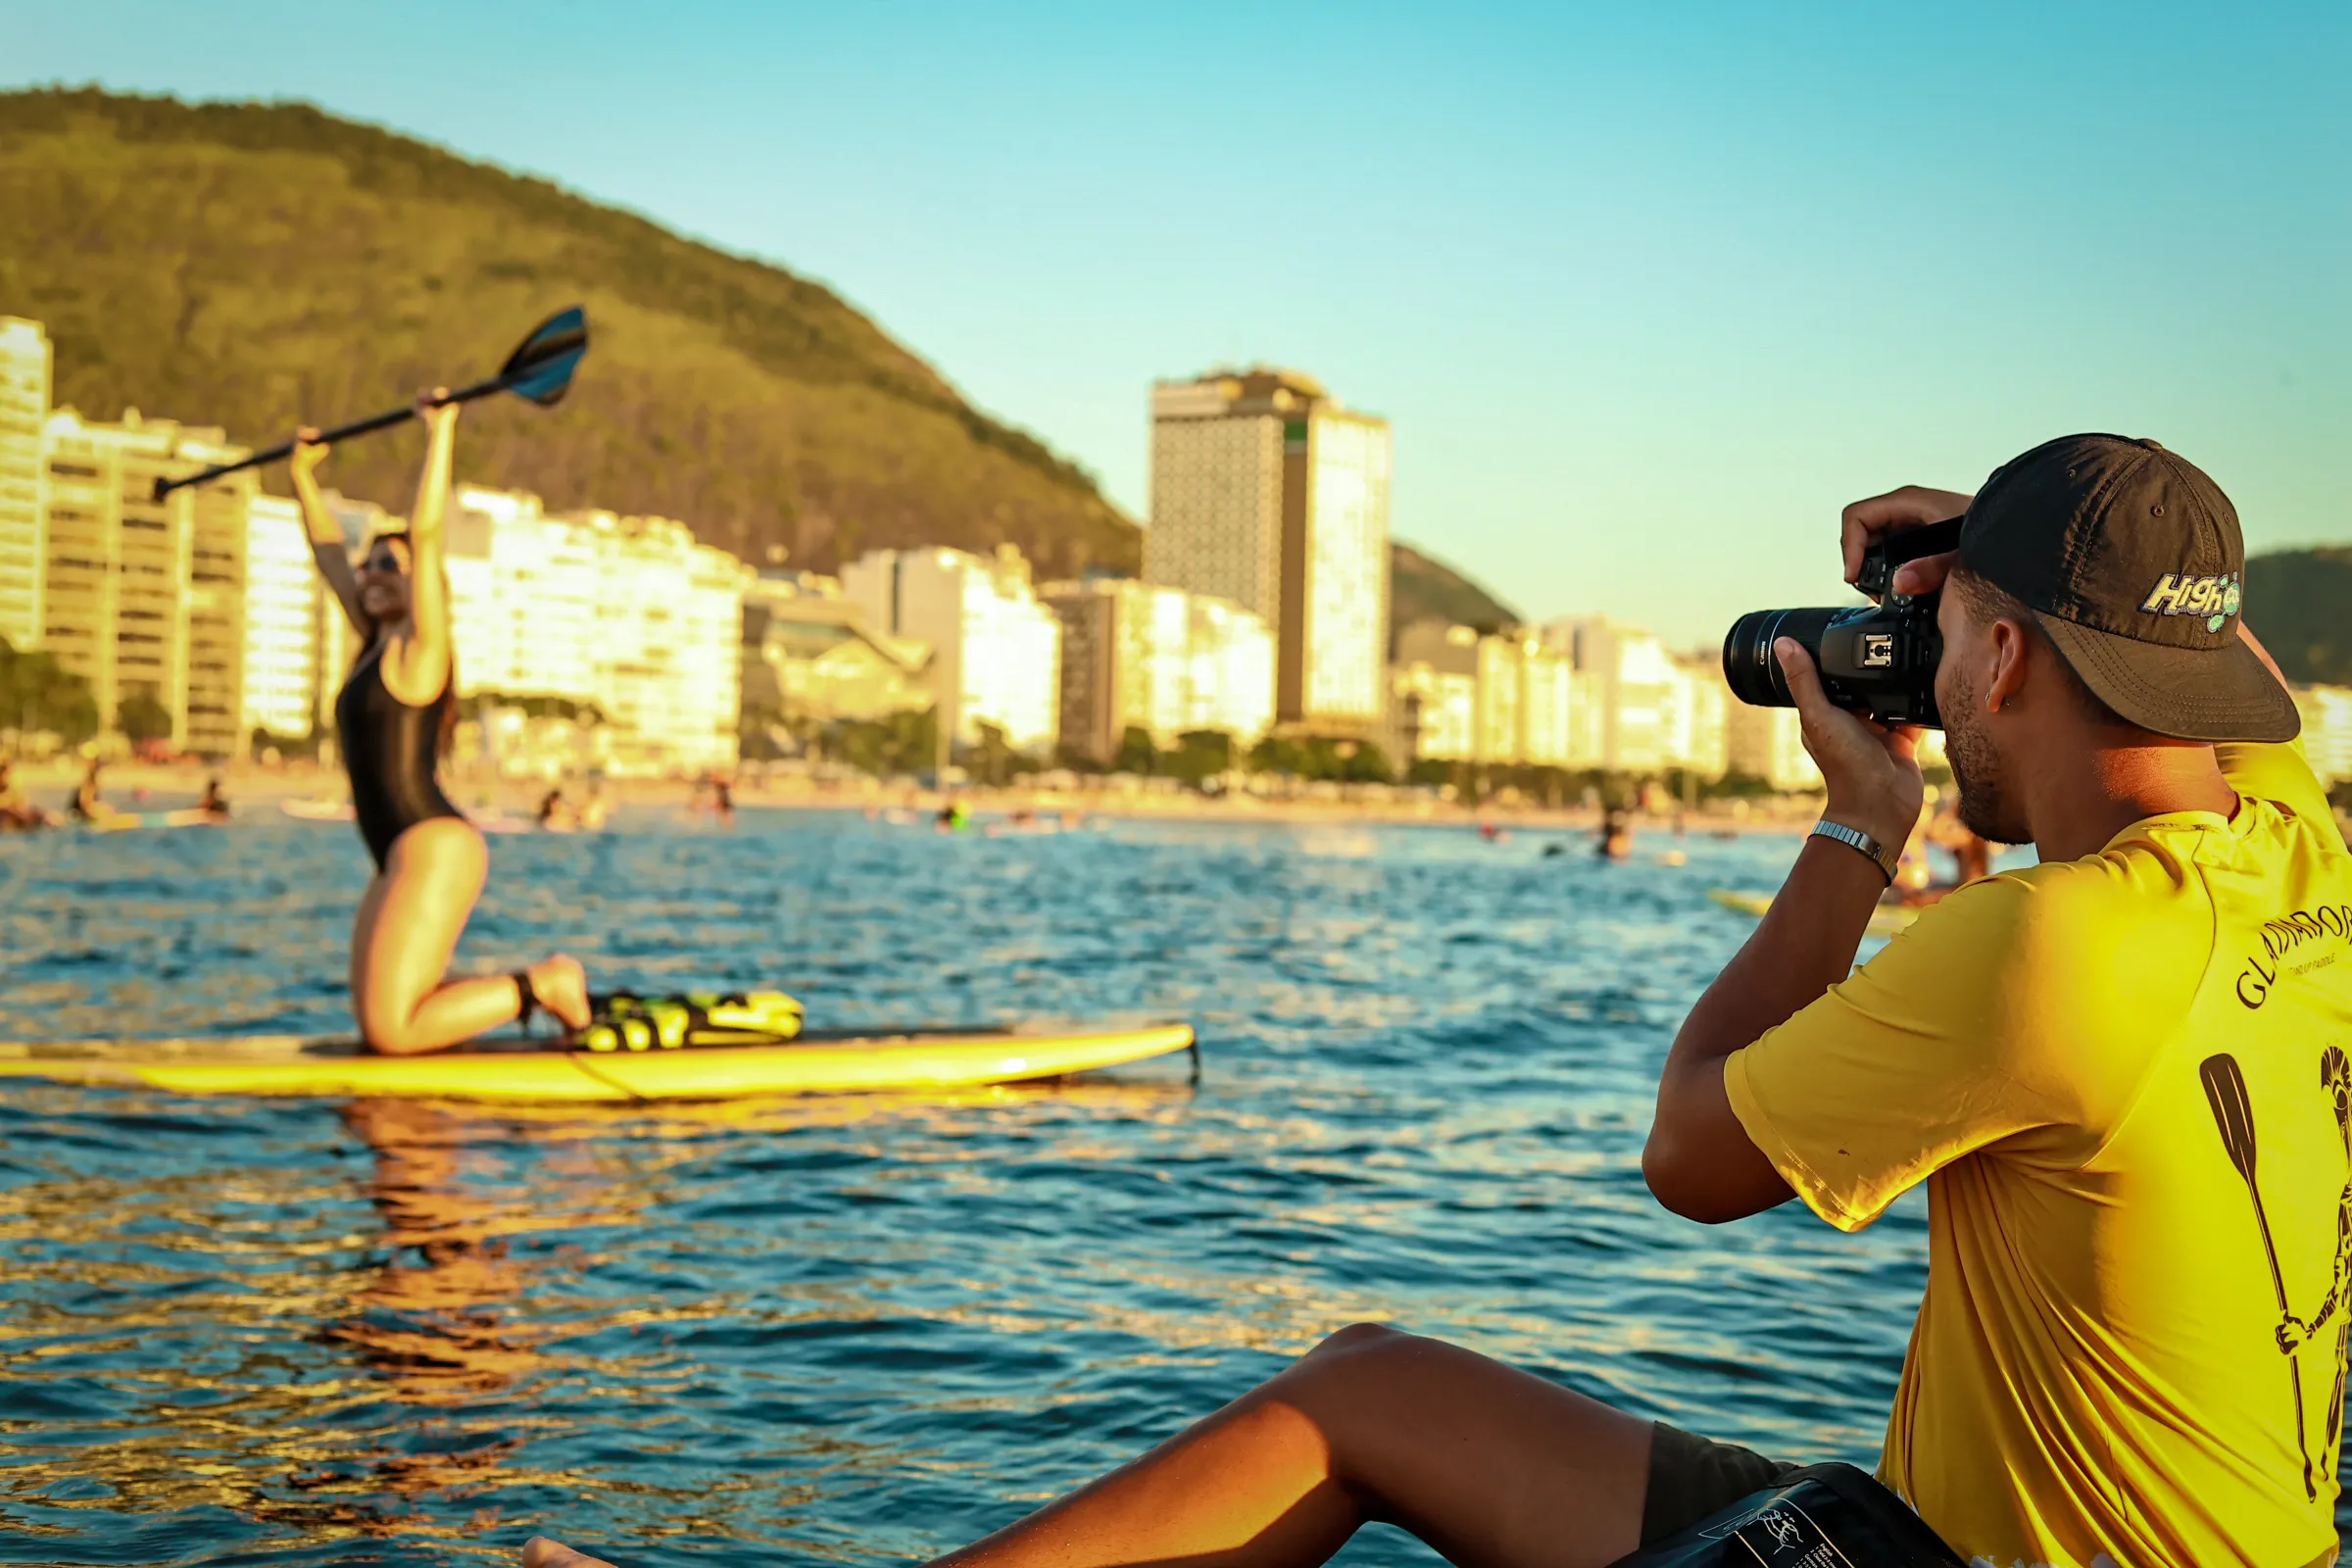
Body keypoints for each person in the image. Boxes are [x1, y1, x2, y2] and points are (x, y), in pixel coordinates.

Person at [522, 435, 2352, 1568]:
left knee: (1354, 1400)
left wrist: (1860, 823)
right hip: (2036, 1536)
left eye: (1958, 642)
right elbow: (2234, 671)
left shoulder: (2050, 944)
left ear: (2012, 653)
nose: (1930, 676)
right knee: (1363, 1387)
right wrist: (2006, 548)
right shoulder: (2294, 849)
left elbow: (1689, 1151)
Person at [291, 396, 591, 1055]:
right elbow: (327, 554)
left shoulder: (419, 651)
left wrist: (441, 432)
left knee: (392, 1031)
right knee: (385, 1022)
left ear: (420, 585)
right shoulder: (371, 645)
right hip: (395, 849)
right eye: (370, 563)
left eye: (388, 567)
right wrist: (303, 475)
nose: (372, 572)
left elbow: (426, 536)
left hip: (432, 844)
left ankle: (545, 982)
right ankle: (502, 999)